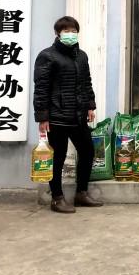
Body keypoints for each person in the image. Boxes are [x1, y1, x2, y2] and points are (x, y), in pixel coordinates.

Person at [33, 16, 103, 213]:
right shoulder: (47, 56)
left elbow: (86, 82)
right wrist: (42, 117)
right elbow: (41, 88)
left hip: (78, 115)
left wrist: (90, 106)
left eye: (73, 31)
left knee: (88, 151)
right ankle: (57, 198)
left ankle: (81, 193)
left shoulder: (81, 56)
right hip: (57, 117)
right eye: (66, 31)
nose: (70, 34)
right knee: (58, 157)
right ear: (58, 33)